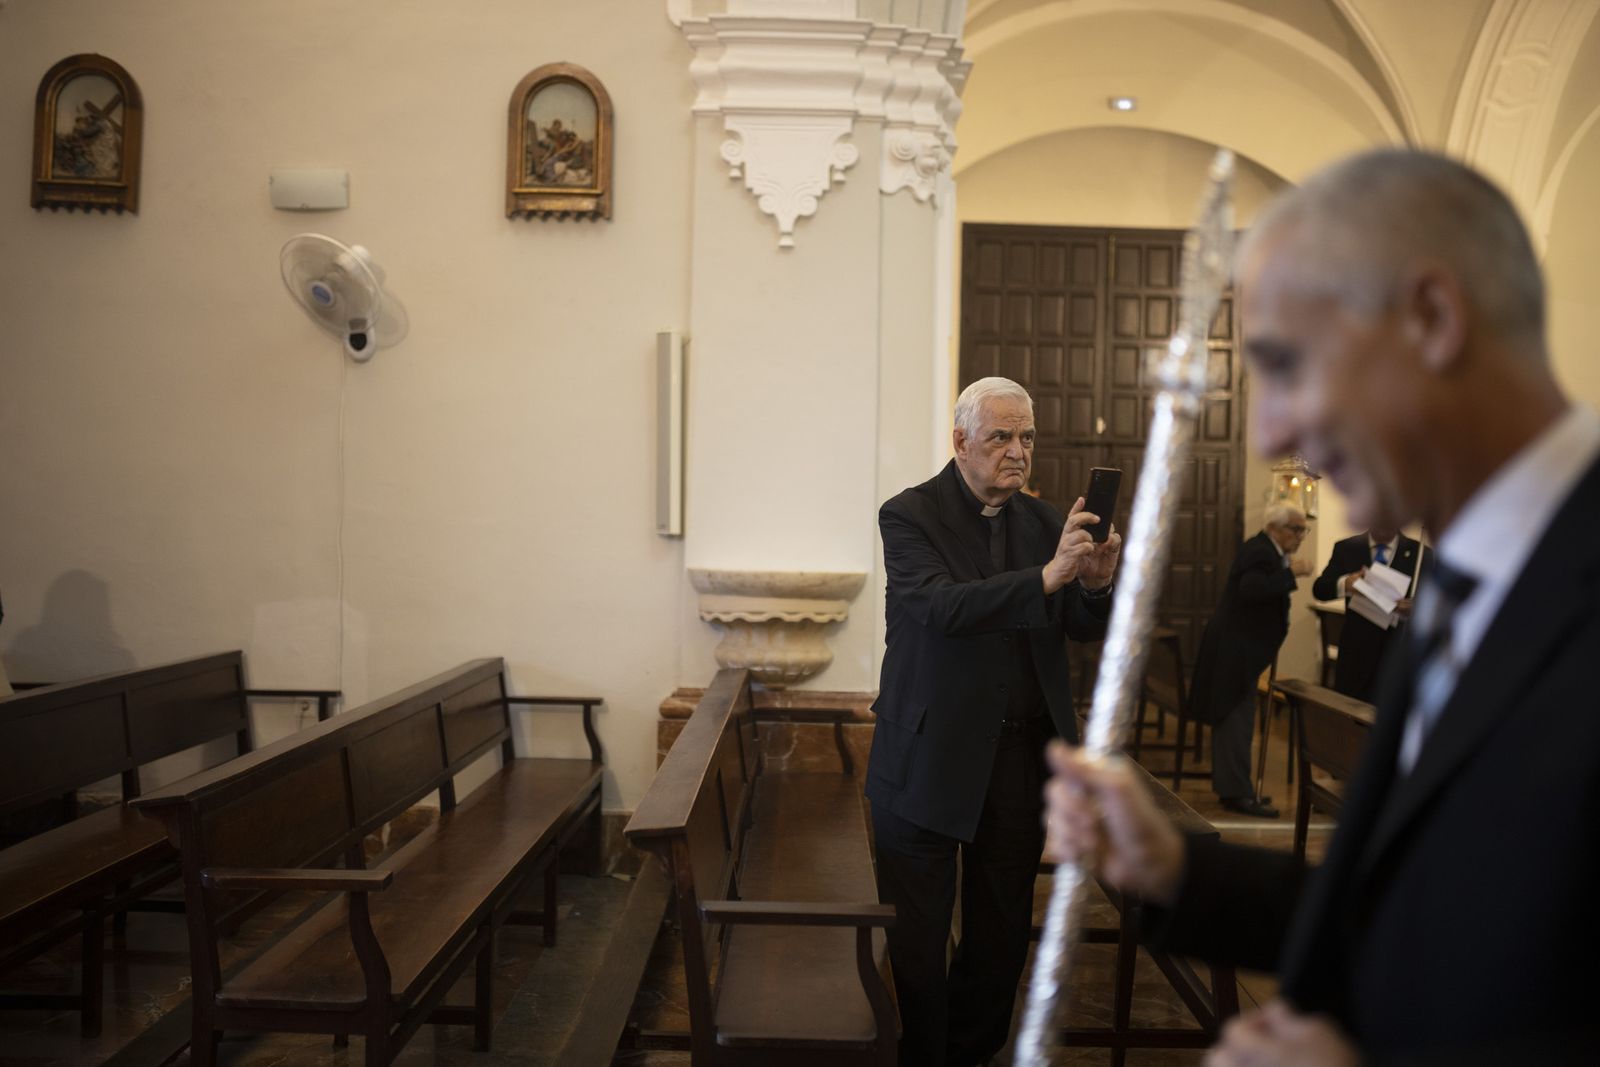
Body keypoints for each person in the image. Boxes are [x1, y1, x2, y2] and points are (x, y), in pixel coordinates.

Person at [1043, 148, 1600, 1064]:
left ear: (1430, 318)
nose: (1271, 433)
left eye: (1286, 364)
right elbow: (1411, 919)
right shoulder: (1463, 585)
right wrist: (1179, 872)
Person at [867, 376, 1122, 1067]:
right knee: (918, 944)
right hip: (924, 759)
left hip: (1015, 765)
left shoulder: (1044, 524)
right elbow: (943, 609)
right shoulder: (909, 516)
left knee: (1000, 936)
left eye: (1027, 437)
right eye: (1001, 436)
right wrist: (1046, 577)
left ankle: (970, 1054)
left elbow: (1078, 625)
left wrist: (1093, 583)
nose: (1018, 451)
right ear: (960, 442)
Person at [1188, 504, 1311, 818]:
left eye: (1302, 530)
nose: (1300, 536)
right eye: (1295, 529)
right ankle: (1236, 794)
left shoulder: (1264, 549)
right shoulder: (1259, 550)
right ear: (1275, 528)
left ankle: (1238, 789)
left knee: (1239, 719)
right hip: (1235, 652)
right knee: (1235, 720)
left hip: (1239, 651)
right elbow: (1251, 590)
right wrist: (1290, 573)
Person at [1312, 527, 1430, 701]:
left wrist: (1416, 608)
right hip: (1355, 656)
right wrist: (1345, 584)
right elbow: (1320, 589)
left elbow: (1434, 604)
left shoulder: (1421, 553)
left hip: (1396, 656)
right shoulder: (1347, 547)